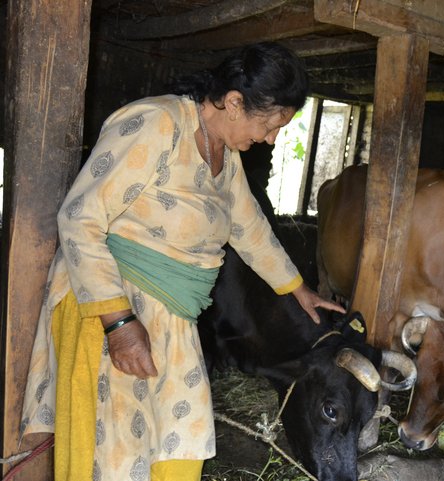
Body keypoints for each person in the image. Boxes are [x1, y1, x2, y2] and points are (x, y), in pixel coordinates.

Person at [21, 42, 345, 481]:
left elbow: (249, 229)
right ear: (234, 103)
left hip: (171, 316)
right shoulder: (155, 123)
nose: (270, 139)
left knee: (182, 438)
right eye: (269, 126)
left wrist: (297, 288)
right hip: (113, 308)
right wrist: (119, 325)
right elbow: (79, 218)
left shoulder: (224, 156)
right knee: (116, 454)